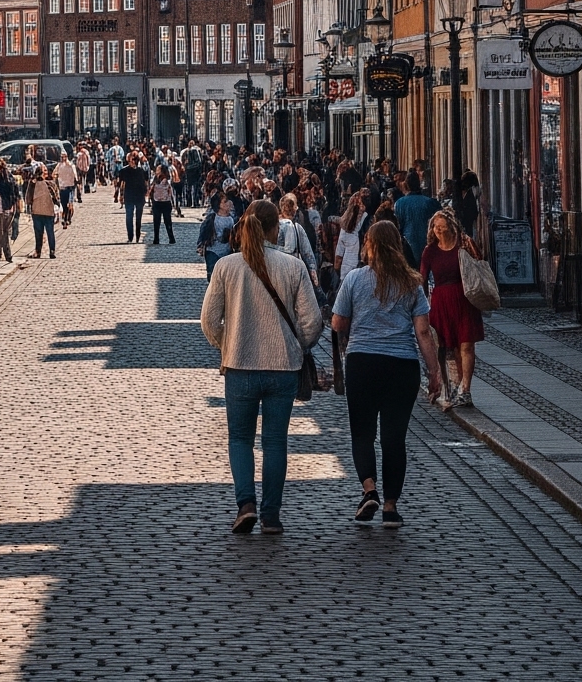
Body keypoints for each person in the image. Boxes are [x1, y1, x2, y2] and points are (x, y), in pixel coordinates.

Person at [199, 199, 324, 536]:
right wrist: (297, 344)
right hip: (282, 367)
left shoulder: (227, 266)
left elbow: (209, 321)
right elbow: (313, 321)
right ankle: (271, 515)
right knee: (274, 442)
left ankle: (246, 504)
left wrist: (228, 342)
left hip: (239, 365)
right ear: (275, 229)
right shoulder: (293, 267)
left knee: (240, 439)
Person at [331, 219, 443, 525]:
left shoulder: (354, 280)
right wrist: (434, 372)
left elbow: (338, 323)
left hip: (363, 363)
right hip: (401, 366)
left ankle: (369, 490)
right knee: (394, 438)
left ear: (369, 244)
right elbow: (423, 332)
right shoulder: (412, 282)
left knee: (362, 433)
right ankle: (391, 506)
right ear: (397, 245)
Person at [422, 208, 482, 408]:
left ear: (450, 226)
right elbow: (422, 278)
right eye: (435, 227)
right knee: (448, 348)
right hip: (441, 302)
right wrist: (422, 306)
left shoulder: (463, 244)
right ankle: (449, 386)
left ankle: (466, 390)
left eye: (441, 226)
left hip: (464, 300)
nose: (438, 230)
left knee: (466, 345)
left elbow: (480, 263)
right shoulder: (430, 251)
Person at [393, 171, 439, 266]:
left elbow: (398, 226)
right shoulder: (429, 202)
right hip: (426, 243)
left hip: (408, 245)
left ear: (406, 185)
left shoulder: (399, 203)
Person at [198, 192, 239, 277]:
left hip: (227, 251)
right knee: (213, 276)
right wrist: (200, 245)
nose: (229, 202)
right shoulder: (212, 218)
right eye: (225, 201)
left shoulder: (233, 219)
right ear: (220, 205)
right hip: (213, 251)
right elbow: (203, 231)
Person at [27, 155, 60, 257]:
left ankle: (39, 251)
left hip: (37, 211)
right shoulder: (50, 184)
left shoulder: (32, 184)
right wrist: (58, 207)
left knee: (39, 233)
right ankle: (52, 251)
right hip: (47, 212)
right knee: (49, 232)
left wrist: (29, 207)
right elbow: (56, 197)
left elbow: (28, 198)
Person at [0, 159, 21, 263]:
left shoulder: (7, 179)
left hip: (5, 208)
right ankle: (2, 253)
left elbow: (14, 193)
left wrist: (13, 206)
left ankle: (4, 254)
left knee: (4, 232)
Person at [120, 151, 150, 243]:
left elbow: (146, 183)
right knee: (129, 217)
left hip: (139, 196)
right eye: (131, 159)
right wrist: (120, 195)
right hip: (129, 196)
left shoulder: (142, 171)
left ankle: (137, 235)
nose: (132, 161)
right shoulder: (124, 171)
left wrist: (147, 192)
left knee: (138, 217)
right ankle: (130, 236)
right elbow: (122, 184)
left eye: (134, 159)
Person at [149, 158, 178, 244]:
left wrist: (174, 204)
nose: (156, 171)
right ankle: (156, 238)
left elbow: (172, 192)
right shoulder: (154, 180)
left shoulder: (168, 181)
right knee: (156, 222)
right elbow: (151, 190)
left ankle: (171, 238)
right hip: (157, 202)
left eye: (158, 169)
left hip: (166, 203)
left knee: (167, 221)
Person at [55, 147, 79, 224]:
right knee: (64, 204)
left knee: (69, 204)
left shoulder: (71, 165)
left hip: (70, 187)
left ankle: (67, 218)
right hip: (62, 187)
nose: (63, 158)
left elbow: (76, 176)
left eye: (64, 156)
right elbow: (54, 174)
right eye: (62, 157)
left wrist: (75, 182)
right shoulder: (59, 165)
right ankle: (66, 218)